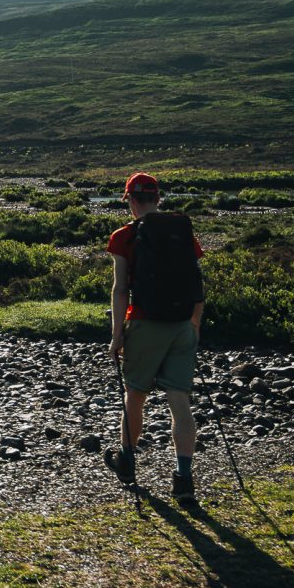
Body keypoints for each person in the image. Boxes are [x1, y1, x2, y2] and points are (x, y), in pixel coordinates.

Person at [107, 172, 204, 502]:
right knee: (180, 401)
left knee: (135, 395)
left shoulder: (124, 237)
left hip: (145, 324)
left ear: (131, 201)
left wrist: (117, 335)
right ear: (158, 199)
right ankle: (184, 479)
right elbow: (196, 284)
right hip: (181, 325)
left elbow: (121, 290)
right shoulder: (184, 235)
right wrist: (194, 325)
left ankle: (127, 461)